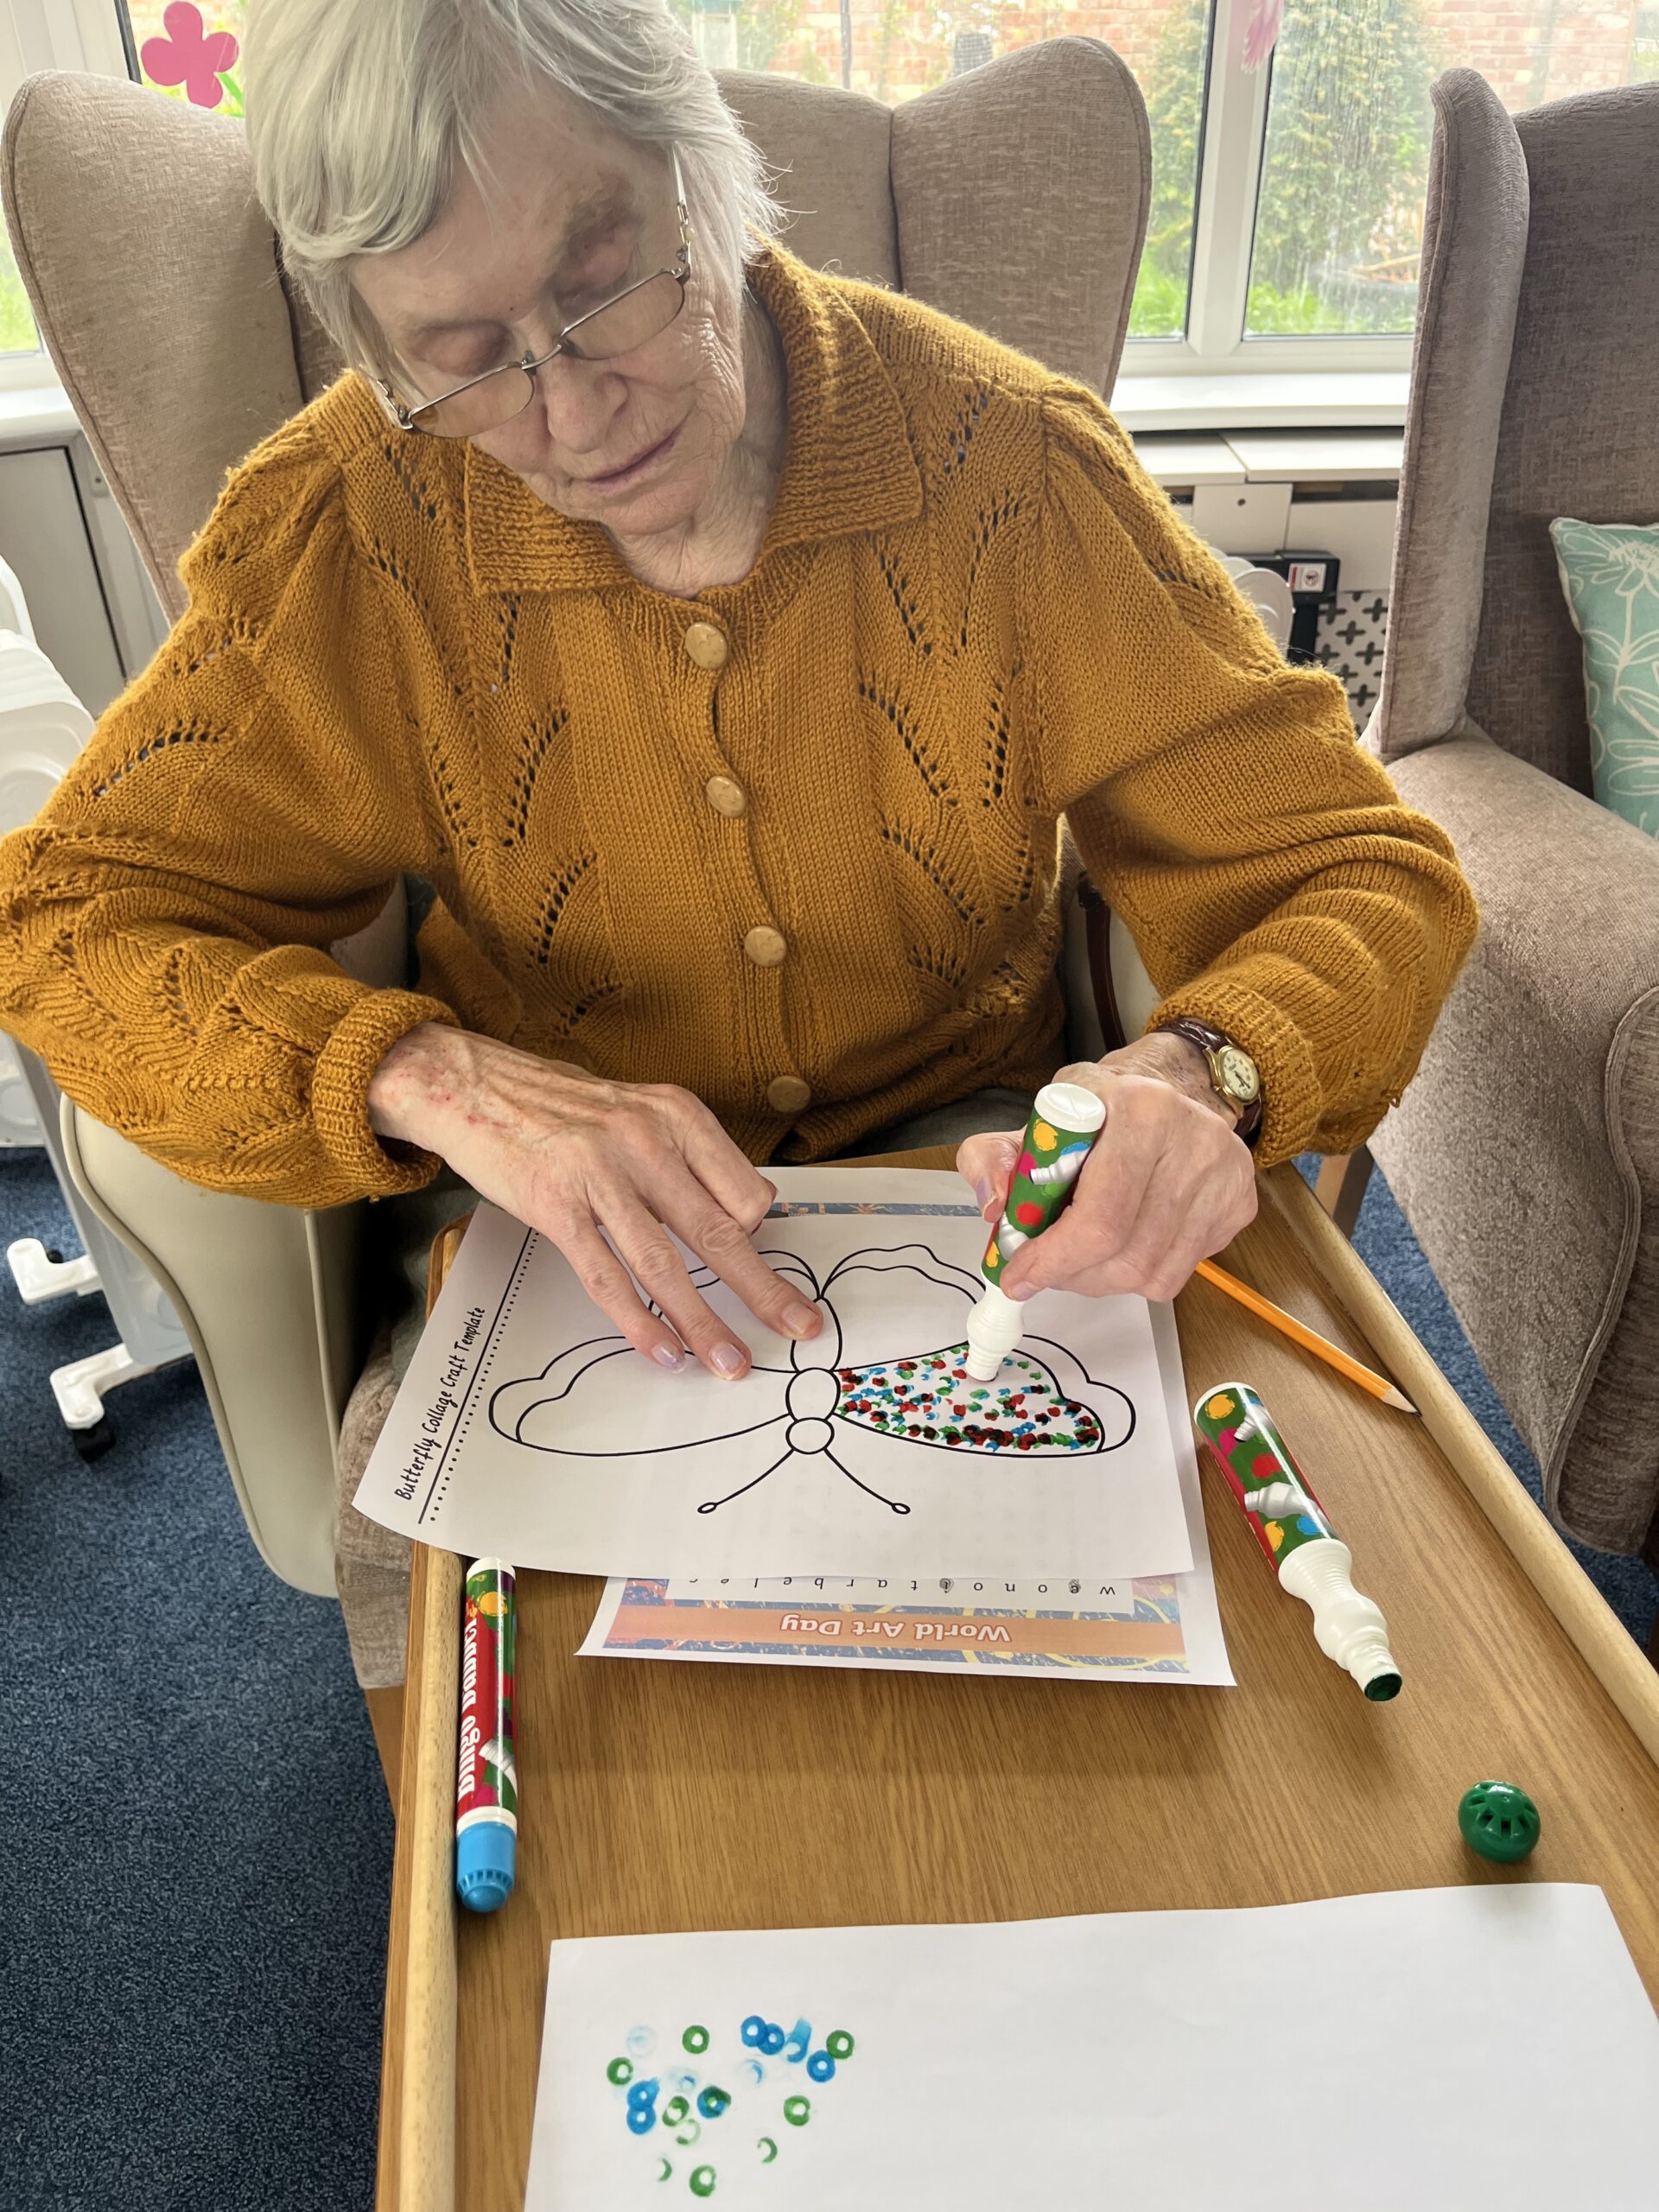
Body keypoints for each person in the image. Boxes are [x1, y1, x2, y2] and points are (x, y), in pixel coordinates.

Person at [0, 0, 1474, 1668]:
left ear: (706, 178)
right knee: (531, 1744)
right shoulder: (350, 528)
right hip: (553, 1233)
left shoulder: (1010, 471)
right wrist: (435, 1079)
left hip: (973, 1183)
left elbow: (1365, 872)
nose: (573, 412)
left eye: (605, 284)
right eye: (466, 357)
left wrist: (1208, 1072)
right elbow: (70, 922)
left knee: (1120, 1675)